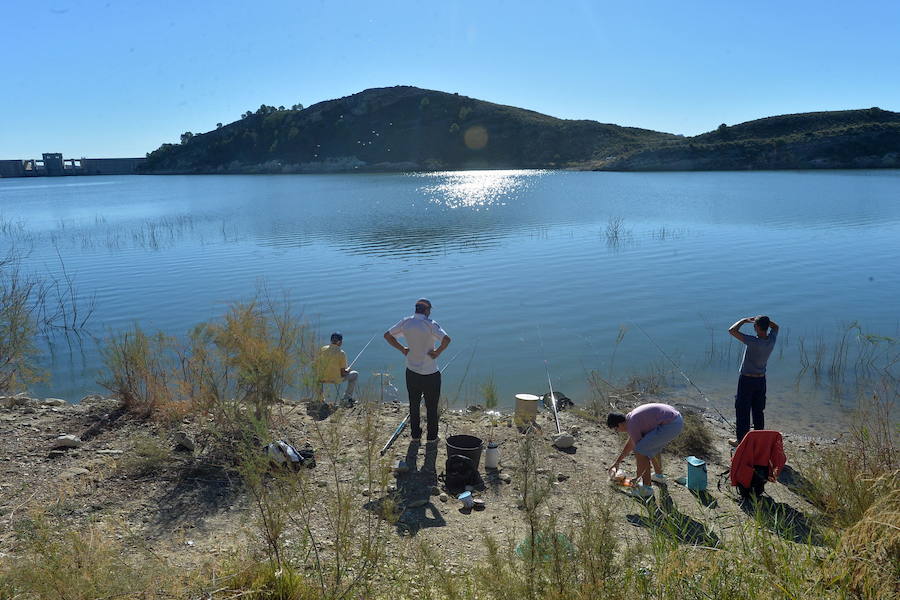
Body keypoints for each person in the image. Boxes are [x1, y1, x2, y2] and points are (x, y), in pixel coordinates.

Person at [384, 298, 451, 443]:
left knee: (413, 404)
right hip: (430, 373)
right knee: (431, 407)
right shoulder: (430, 324)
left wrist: (402, 349)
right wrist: (437, 352)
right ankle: (432, 438)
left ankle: (415, 435)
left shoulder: (406, 322)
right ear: (426, 311)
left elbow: (387, 336)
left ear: (416, 309)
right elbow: (446, 339)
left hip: (411, 372)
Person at [607, 403, 684, 499]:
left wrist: (638, 478)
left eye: (615, 429)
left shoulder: (632, 425)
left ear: (619, 424)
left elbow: (640, 451)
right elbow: (631, 442)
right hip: (676, 419)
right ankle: (659, 476)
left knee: (641, 450)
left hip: (671, 424)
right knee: (650, 446)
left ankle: (646, 488)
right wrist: (617, 462)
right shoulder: (631, 419)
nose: (617, 431)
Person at [728, 315, 779, 446]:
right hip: (761, 381)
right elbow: (776, 327)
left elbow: (732, 330)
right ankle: (759, 440)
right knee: (758, 411)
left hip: (747, 380)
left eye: (754, 325)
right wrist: (764, 321)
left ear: (756, 328)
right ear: (767, 327)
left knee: (742, 411)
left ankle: (741, 442)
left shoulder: (753, 341)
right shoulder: (771, 340)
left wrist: (744, 320)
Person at [316, 332, 358, 407]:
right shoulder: (341, 353)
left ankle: (320, 399)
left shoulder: (323, 349)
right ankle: (346, 398)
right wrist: (347, 370)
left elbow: (318, 364)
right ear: (339, 342)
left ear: (331, 340)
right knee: (355, 374)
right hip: (336, 379)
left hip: (322, 378)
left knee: (317, 375)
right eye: (341, 341)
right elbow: (342, 374)